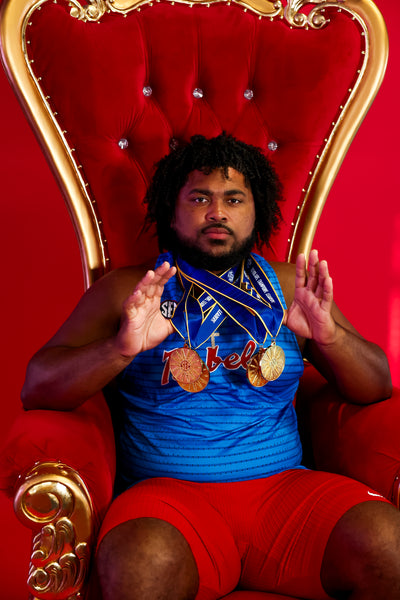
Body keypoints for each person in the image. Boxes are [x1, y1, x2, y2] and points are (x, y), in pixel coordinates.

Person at [22, 133, 399, 600]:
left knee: (390, 543)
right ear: (171, 211)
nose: (217, 212)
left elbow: (376, 386)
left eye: (233, 199)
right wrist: (119, 349)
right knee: (140, 563)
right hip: (170, 501)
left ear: (256, 212)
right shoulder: (129, 290)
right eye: (200, 198)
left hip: (284, 495)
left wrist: (330, 337)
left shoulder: (288, 286)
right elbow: (37, 387)